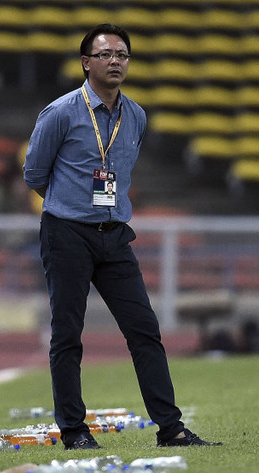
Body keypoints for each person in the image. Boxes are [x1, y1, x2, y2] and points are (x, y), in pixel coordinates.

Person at [23, 24, 222, 450]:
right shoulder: (60, 112)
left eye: (123, 55)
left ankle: (171, 429)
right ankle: (74, 431)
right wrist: (72, 207)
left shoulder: (136, 115)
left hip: (115, 237)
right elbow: (34, 175)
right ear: (86, 63)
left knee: (145, 330)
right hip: (67, 233)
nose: (116, 61)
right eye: (106, 54)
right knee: (67, 334)